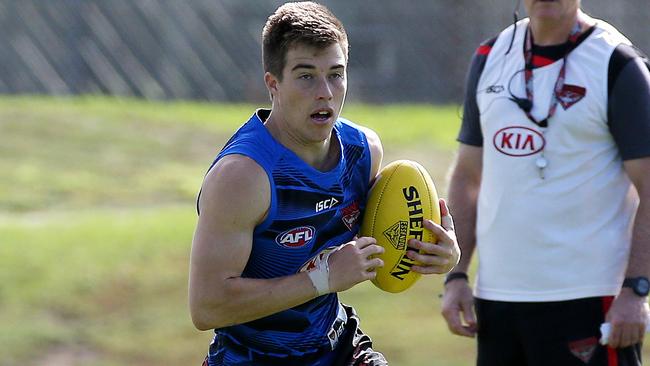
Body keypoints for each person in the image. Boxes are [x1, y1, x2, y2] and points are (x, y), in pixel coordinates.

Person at [188, 2, 460, 365]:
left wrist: (435, 252)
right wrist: (322, 279)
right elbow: (207, 307)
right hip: (251, 358)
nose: (325, 92)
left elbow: (380, 236)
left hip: (338, 349)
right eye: (306, 75)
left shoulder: (363, 153)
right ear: (273, 84)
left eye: (336, 73)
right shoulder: (243, 177)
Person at [442, 0, 650, 365]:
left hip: (589, 300)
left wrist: (637, 288)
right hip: (498, 301)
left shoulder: (617, 63)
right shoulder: (490, 55)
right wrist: (456, 274)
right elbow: (468, 176)